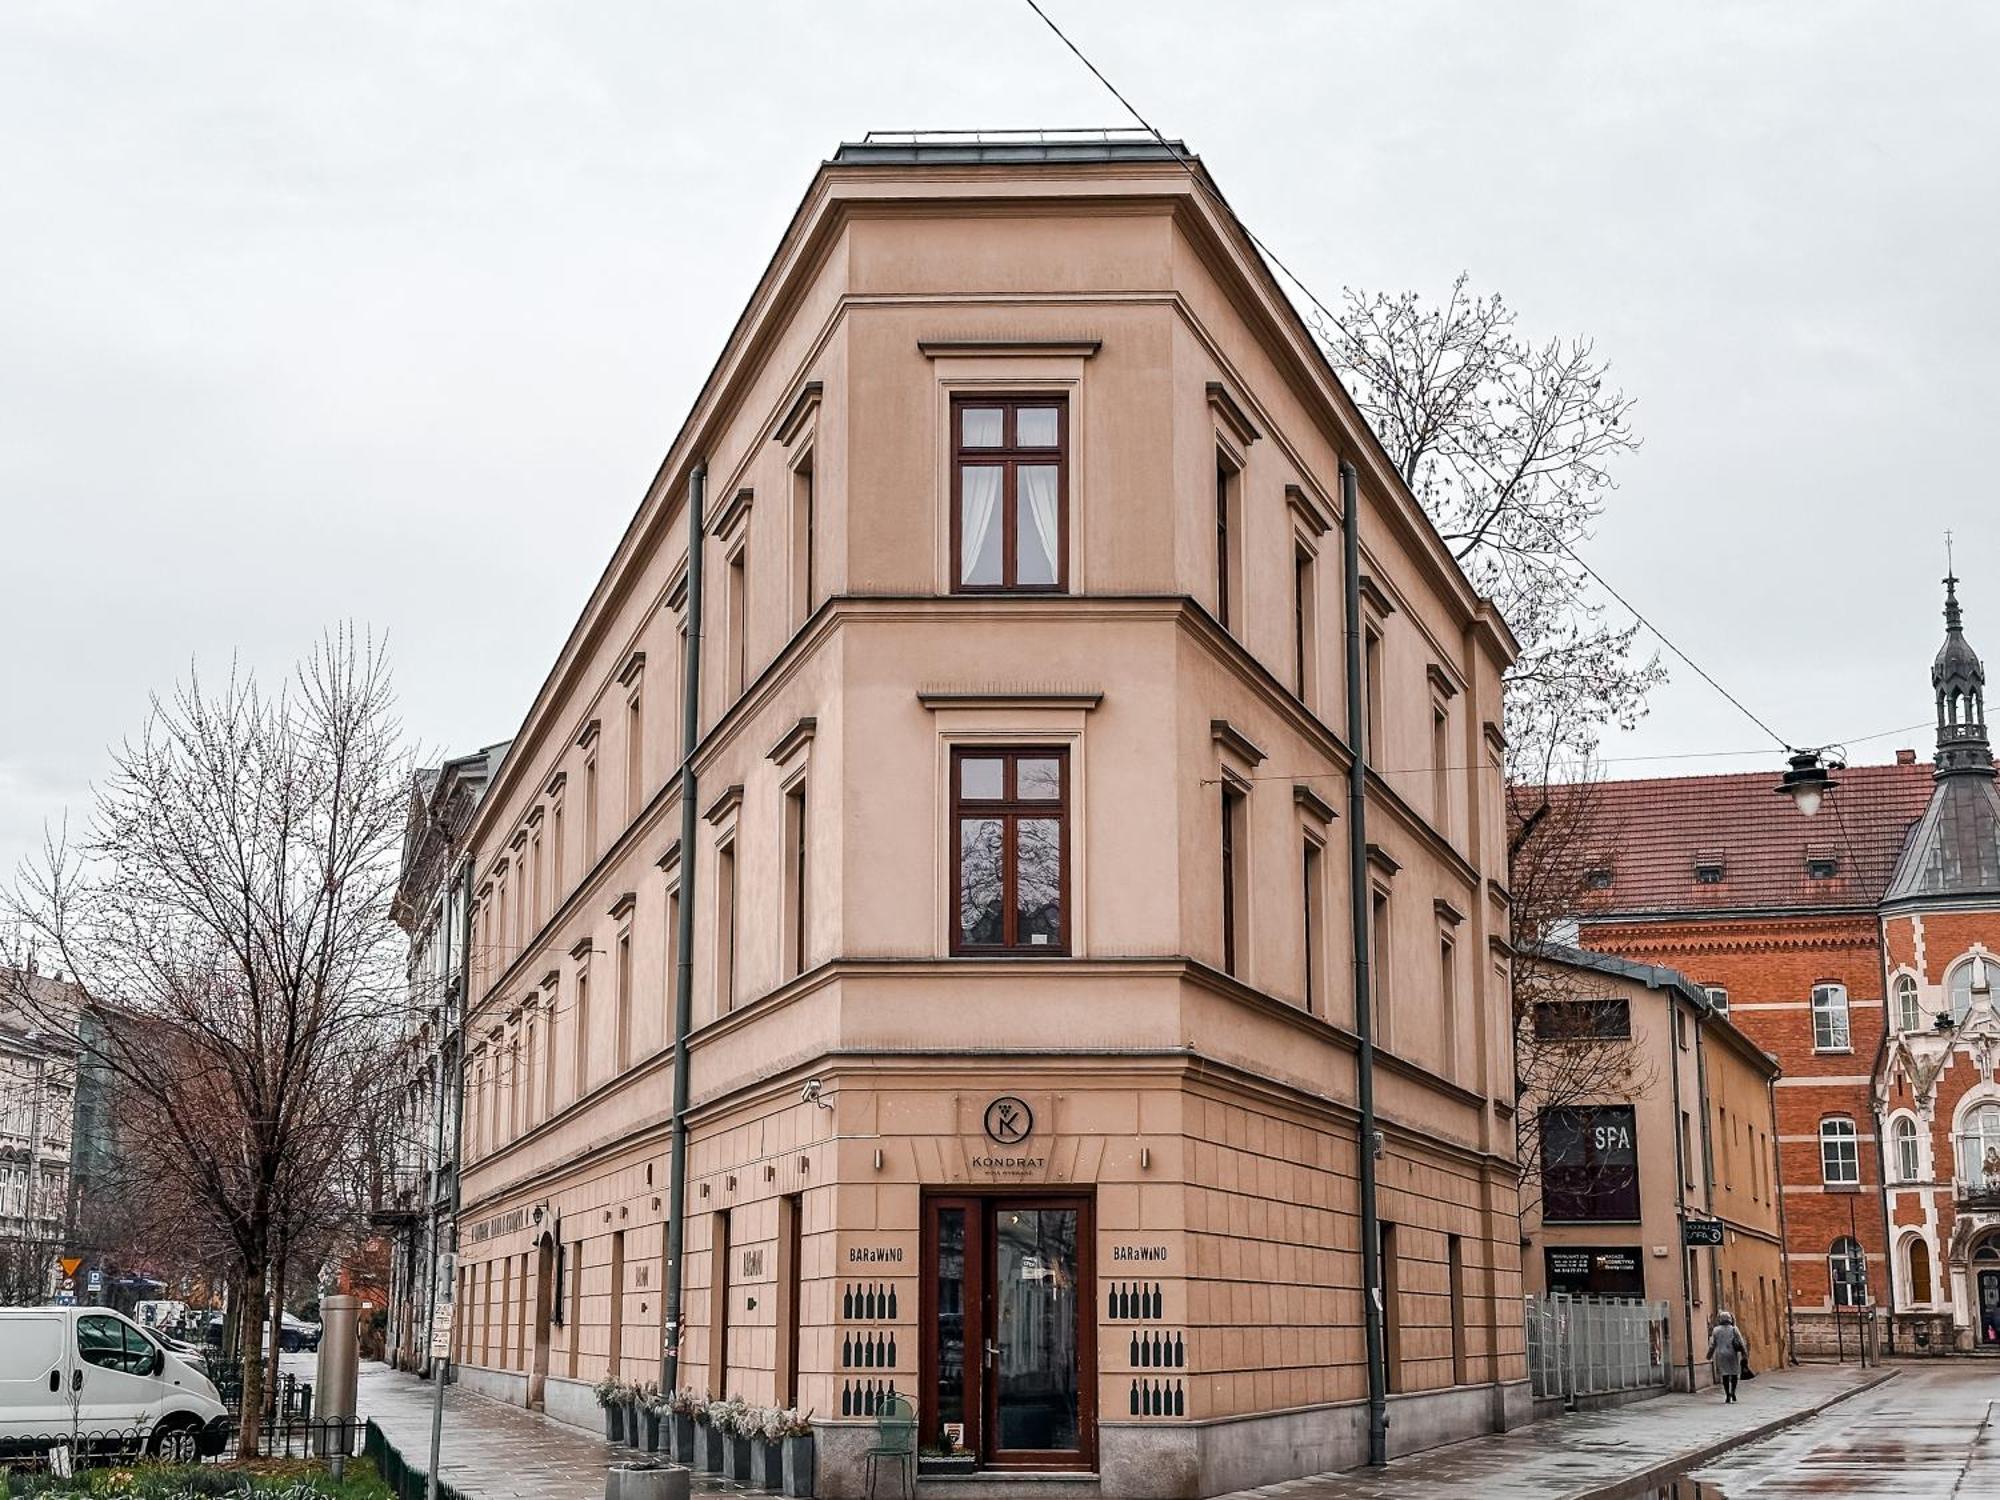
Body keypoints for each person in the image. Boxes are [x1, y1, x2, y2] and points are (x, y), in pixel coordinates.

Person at [1708, 1310, 1748, 1402]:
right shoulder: (1734, 1329)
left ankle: (1727, 1395)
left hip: (1721, 1354)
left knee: (1725, 1375)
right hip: (1732, 1354)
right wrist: (1744, 1353)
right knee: (1734, 1374)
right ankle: (1733, 1392)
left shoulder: (1716, 1330)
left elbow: (1712, 1344)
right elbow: (1741, 1342)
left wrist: (1709, 1355)